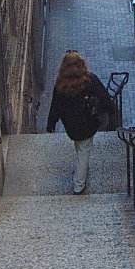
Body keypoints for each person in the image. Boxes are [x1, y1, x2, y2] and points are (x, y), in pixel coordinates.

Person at [46, 50, 114, 194]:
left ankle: (80, 169)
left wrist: (51, 124)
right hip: (88, 123)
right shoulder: (90, 80)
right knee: (84, 151)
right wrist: (108, 111)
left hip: (70, 126)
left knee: (80, 146)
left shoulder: (60, 84)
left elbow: (55, 106)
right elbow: (105, 99)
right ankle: (79, 184)